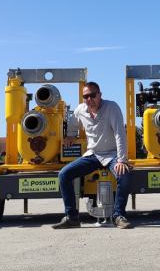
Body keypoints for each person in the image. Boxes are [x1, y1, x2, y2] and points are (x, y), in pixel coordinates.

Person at [52, 81, 132, 229]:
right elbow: (73, 122)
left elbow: (120, 134)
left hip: (112, 155)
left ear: (100, 95)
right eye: (86, 96)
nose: (89, 99)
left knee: (124, 175)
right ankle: (72, 217)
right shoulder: (80, 110)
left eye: (92, 95)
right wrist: (71, 135)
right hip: (93, 154)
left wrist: (122, 160)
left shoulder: (112, 108)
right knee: (64, 174)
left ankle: (118, 216)